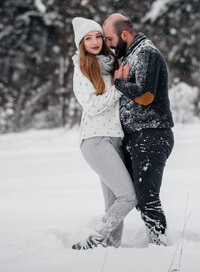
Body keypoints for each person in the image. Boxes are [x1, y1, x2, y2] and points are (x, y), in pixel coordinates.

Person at [102, 13, 174, 245]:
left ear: (124, 34)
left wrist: (119, 83)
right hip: (137, 136)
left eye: (110, 39)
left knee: (147, 199)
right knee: (131, 197)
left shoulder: (145, 53)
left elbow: (145, 97)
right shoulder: (130, 54)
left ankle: (160, 246)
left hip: (151, 134)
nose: (108, 44)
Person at [70, 17, 137, 250]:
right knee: (129, 197)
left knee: (114, 203)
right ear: (82, 43)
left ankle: (110, 250)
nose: (95, 41)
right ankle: (95, 239)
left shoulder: (111, 64)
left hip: (116, 138)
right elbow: (93, 106)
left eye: (98, 36)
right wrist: (119, 87)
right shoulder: (82, 68)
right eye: (88, 38)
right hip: (95, 140)